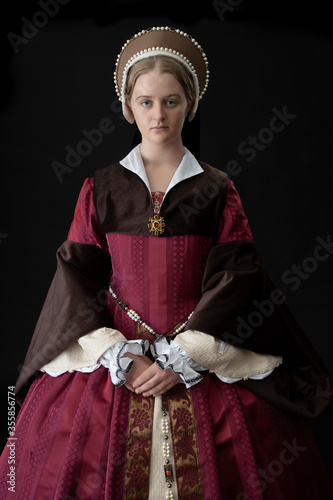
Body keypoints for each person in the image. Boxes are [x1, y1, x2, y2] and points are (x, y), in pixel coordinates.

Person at [1, 26, 333, 500]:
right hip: (120, 360)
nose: (158, 114)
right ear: (127, 106)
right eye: (146, 102)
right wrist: (120, 354)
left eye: (172, 101)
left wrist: (187, 356)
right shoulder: (100, 187)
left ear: (190, 105)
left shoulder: (217, 188)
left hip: (199, 349)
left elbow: (237, 276)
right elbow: (77, 275)